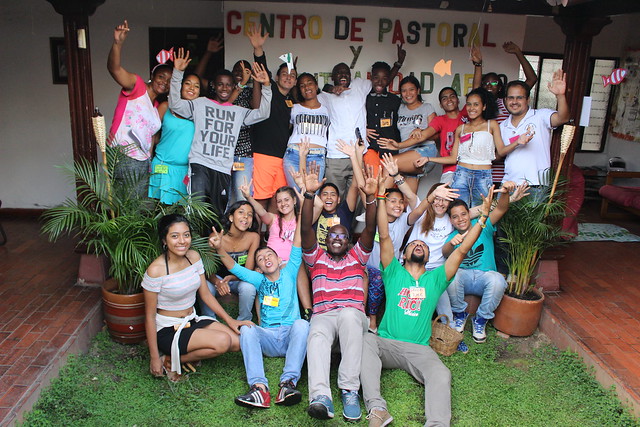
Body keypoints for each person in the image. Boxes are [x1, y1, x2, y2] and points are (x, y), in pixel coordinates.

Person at [359, 178, 493, 427]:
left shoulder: (436, 279)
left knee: (442, 373)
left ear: (429, 256)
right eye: (414, 244)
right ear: (404, 254)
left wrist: (482, 218)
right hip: (385, 343)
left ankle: (437, 423)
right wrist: (379, 197)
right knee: (366, 339)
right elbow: (385, 234)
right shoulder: (393, 272)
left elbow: (462, 250)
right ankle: (377, 409)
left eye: (423, 245)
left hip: (419, 349)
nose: (419, 245)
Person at [209, 211, 309, 409]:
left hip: (291, 335)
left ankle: (288, 384)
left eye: (269, 255)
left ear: (279, 260)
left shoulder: (289, 271)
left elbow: (297, 244)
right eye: (261, 259)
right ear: (260, 268)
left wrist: (300, 212)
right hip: (268, 337)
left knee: (302, 324)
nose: (265, 259)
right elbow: (233, 268)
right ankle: (259, 388)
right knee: (247, 328)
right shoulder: (258, 279)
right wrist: (220, 248)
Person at [301, 163, 378, 421]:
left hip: (351, 314)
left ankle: (349, 389)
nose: (336, 238)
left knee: (347, 315)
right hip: (323, 313)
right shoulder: (316, 258)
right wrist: (310, 196)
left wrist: (371, 198)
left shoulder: (358, 257)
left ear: (349, 241)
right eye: (332, 235)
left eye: (342, 236)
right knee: (317, 333)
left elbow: (370, 229)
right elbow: (305, 231)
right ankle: (321, 397)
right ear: (326, 240)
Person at [142, 214, 251, 382]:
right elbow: (149, 316)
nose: (182, 241)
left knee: (237, 342)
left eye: (186, 235)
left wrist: (230, 320)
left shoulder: (193, 257)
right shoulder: (156, 271)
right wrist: (154, 357)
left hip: (192, 319)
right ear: (164, 240)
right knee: (222, 342)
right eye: (174, 236)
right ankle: (169, 360)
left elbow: (206, 294)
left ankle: (185, 354)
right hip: (169, 330)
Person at [168, 48, 272, 218]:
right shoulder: (200, 104)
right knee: (197, 208)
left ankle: (213, 243)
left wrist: (266, 86)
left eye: (228, 84)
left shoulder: (239, 111)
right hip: (200, 164)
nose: (224, 88)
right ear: (213, 86)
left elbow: (263, 113)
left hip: (223, 168)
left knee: (218, 215)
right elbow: (175, 105)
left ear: (233, 87)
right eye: (220, 84)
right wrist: (178, 73)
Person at [416, 88, 533, 207]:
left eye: (476, 104)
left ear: (483, 107)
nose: (472, 108)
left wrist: (517, 142)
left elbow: (501, 151)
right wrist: (428, 159)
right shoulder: (460, 129)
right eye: (469, 104)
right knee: (459, 211)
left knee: (482, 212)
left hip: (483, 175)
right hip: (461, 174)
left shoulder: (491, 125)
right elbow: (453, 158)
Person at [320, 45, 405, 199]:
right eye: (338, 73)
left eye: (346, 72)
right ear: (332, 76)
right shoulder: (325, 95)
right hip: (335, 154)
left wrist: (398, 64)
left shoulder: (360, 86)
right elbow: (313, 95)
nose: (343, 75)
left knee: (360, 196)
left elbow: (382, 81)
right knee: (334, 197)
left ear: (351, 75)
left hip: (359, 153)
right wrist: (332, 88)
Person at [442, 181, 516, 343]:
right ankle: (460, 314)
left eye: (463, 214)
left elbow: (501, 209)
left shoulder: (483, 224)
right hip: (464, 278)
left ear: (469, 214)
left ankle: (481, 319)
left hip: (485, 276)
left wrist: (505, 193)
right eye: (455, 217)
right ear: (451, 221)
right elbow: (445, 253)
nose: (460, 219)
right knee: (451, 277)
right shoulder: (452, 235)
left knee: (498, 280)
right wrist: (450, 244)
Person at [108, 20, 171, 197]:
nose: (164, 82)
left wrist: (149, 160)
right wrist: (117, 44)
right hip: (123, 154)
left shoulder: (158, 106)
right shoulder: (137, 86)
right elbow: (114, 69)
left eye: (169, 81)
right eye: (161, 77)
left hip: (143, 160)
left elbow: (151, 136)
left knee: (136, 210)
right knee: (128, 210)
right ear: (153, 75)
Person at [248, 24, 299, 214]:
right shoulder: (270, 91)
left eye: (292, 75)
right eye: (284, 74)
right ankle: (257, 240)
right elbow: (261, 69)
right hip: (263, 154)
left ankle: (272, 240)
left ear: (295, 81)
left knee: (278, 202)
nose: (288, 77)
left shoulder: (292, 101)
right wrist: (258, 49)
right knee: (260, 199)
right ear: (276, 77)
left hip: (282, 158)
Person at [472, 42, 538, 184]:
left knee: (502, 197)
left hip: (505, 161)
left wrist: (518, 53)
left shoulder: (508, 103)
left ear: (501, 87)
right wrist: (478, 65)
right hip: (483, 160)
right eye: (486, 83)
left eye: (494, 83)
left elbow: (532, 79)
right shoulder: (479, 105)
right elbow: (475, 90)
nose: (490, 86)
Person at [500, 70, 570, 192]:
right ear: (505, 100)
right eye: (511, 98)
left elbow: (562, 118)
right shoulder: (502, 126)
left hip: (536, 185)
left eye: (519, 98)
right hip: (508, 184)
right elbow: (498, 154)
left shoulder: (540, 116)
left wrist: (560, 96)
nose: (514, 102)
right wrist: (516, 143)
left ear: (527, 100)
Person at [200, 201, 260, 321]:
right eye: (241, 212)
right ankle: (209, 320)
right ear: (231, 217)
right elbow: (207, 269)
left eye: (250, 215)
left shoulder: (253, 237)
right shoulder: (216, 236)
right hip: (217, 279)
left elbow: (248, 272)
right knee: (204, 285)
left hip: (239, 279)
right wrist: (218, 282)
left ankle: (244, 320)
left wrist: (232, 278)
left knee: (248, 287)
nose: (245, 217)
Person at [377, 75, 437, 193]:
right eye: (404, 90)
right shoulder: (400, 108)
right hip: (405, 155)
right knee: (408, 202)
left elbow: (436, 135)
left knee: (389, 165)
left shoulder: (427, 107)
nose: (408, 93)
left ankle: (381, 205)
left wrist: (421, 131)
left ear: (418, 90)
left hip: (424, 151)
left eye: (411, 89)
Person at [148, 72, 200, 204]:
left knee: (180, 214)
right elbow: (151, 133)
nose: (191, 88)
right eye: (188, 84)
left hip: (184, 170)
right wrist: (148, 158)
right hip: (162, 165)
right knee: (158, 211)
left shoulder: (201, 112)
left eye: (196, 86)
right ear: (180, 87)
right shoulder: (165, 106)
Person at [283, 73, 331, 191]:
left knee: (311, 195)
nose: (307, 87)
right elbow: (284, 128)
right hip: (294, 154)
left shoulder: (327, 109)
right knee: (296, 195)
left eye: (309, 83)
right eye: (302, 85)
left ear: (316, 85)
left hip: (317, 156)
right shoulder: (294, 108)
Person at [363, 61, 402, 174]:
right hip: (371, 148)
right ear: (371, 77)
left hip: (390, 150)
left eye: (384, 78)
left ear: (388, 79)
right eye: (376, 77)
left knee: (388, 185)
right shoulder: (364, 97)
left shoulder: (394, 100)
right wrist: (362, 128)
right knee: (373, 180)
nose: (380, 82)